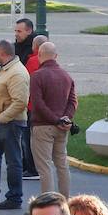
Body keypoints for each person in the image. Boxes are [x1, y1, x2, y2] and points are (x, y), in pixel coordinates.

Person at [30, 42, 77, 197]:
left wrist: (55, 119)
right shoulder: (66, 76)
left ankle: (48, 204)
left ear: (39, 55)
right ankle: (65, 201)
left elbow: (38, 104)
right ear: (56, 56)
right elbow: (72, 102)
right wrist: (65, 119)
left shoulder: (37, 76)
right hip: (62, 128)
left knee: (44, 167)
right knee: (62, 165)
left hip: (43, 126)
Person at [0, 39, 30, 210]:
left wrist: (4, 117)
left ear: (3, 53)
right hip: (0, 121)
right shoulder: (6, 69)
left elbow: (20, 102)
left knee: (13, 162)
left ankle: (14, 197)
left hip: (10, 123)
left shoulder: (17, 73)